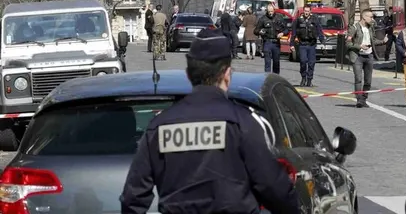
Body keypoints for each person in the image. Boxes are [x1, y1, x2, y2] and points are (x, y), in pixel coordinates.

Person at [120, 28, 300, 214]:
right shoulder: (242, 123)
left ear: (189, 75)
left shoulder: (159, 127)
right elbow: (274, 188)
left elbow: (133, 197)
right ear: (227, 74)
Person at [346, 8, 385, 108]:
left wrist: (383, 41)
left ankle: (364, 99)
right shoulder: (354, 27)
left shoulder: (370, 27)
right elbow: (348, 43)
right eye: (371, 17)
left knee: (368, 80)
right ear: (364, 17)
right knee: (358, 79)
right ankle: (359, 100)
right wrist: (359, 46)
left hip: (369, 56)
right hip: (358, 56)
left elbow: (373, 41)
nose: (372, 19)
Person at [290, 5, 324, 87]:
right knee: (303, 61)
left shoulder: (314, 20)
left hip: (311, 44)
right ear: (303, 11)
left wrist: (322, 40)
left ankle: (309, 79)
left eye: (308, 11)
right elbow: (293, 33)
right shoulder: (298, 20)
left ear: (310, 12)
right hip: (302, 44)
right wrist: (291, 44)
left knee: (312, 63)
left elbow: (319, 30)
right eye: (305, 11)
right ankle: (303, 77)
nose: (306, 12)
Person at [257, 4, 288, 74]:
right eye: (269, 11)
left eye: (271, 11)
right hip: (267, 42)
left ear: (274, 10)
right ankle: (267, 78)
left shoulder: (279, 18)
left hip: (276, 43)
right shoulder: (263, 19)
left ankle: (276, 78)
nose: (270, 13)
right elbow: (255, 31)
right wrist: (260, 32)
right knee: (267, 62)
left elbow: (286, 30)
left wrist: (282, 33)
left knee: (276, 62)